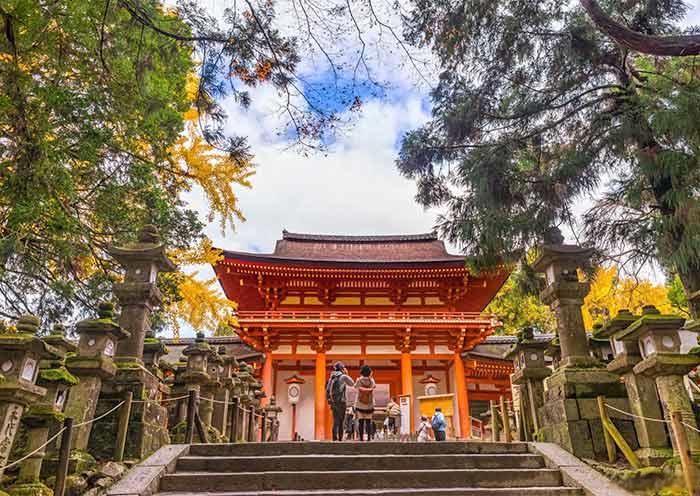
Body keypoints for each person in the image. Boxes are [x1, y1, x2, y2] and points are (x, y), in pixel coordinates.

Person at [326, 361, 354, 441]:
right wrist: (346, 374)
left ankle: (334, 438)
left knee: (335, 420)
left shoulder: (332, 377)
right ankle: (340, 439)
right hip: (341, 401)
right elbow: (352, 383)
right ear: (342, 368)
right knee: (341, 421)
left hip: (333, 402)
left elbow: (327, 390)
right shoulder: (343, 376)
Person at [354, 364, 376, 441]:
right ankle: (369, 438)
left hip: (360, 403)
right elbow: (374, 387)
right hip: (369, 403)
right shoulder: (371, 380)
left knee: (361, 422)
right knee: (368, 422)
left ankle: (361, 438)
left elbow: (355, 386)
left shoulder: (359, 380)